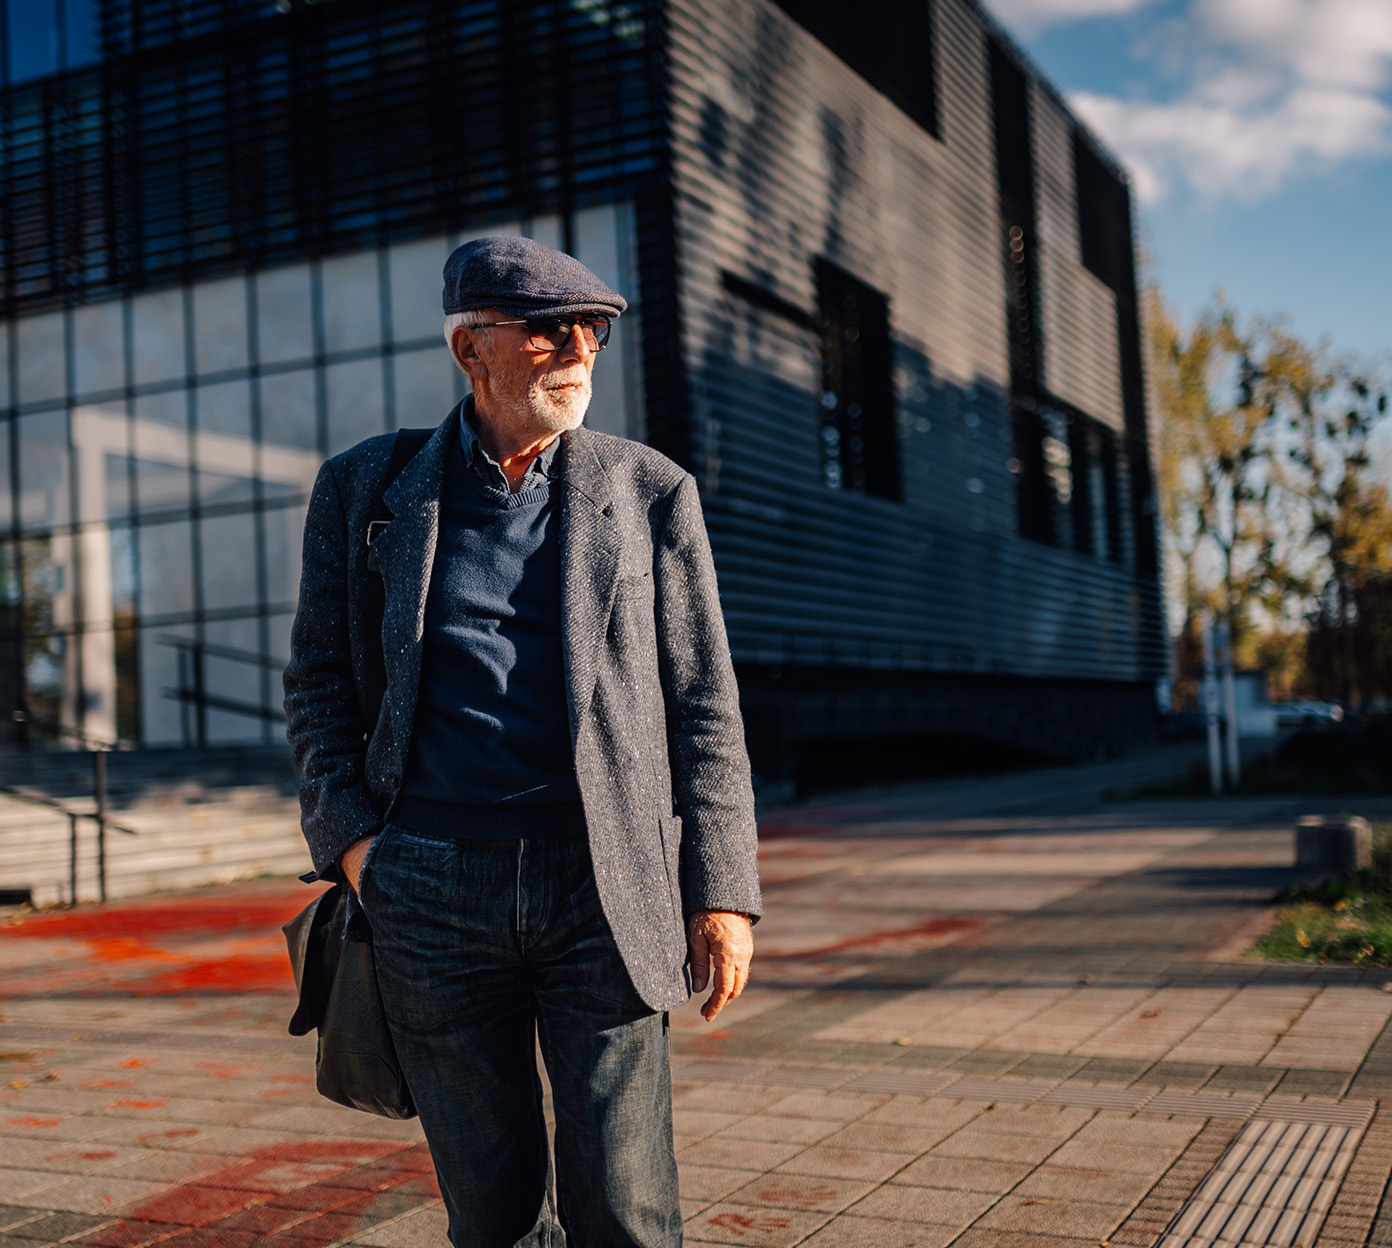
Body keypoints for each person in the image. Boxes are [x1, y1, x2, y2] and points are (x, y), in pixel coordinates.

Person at [283, 234, 762, 1247]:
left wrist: (721, 891)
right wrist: (362, 853)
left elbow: (704, 698)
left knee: (628, 1211)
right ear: (473, 350)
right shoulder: (369, 490)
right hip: (430, 890)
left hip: (603, 885)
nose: (581, 345)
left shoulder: (649, 493)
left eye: (591, 327)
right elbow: (318, 683)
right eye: (550, 328)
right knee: (492, 1219)